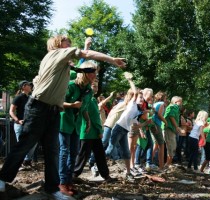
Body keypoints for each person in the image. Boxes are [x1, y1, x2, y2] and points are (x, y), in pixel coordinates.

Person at [0, 35, 125, 199]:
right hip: (39, 107)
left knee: (53, 151)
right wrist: (111, 59)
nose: (71, 46)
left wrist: (86, 52)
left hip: (53, 111)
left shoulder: (62, 65)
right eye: (68, 43)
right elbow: (84, 56)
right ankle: (2, 178)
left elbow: (83, 69)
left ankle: (52, 189)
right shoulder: (55, 54)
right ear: (58, 45)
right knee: (25, 144)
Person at [58, 61, 97, 196]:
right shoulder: (70, 86)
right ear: (84, 72)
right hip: (65, 121)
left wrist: (88, 121)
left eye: (95, 71)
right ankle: (62, 182)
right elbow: (58, 102)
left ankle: (69, 181)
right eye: (92, 71)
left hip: (77, 124)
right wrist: (71, 105)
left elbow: (84, 108)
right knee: (64, 151)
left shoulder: (89, 90)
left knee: (74, 152)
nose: (94, 74)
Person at [105, 72, 147, 181]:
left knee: (126, 153)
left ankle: (128, 173)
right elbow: (134, 91)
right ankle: (96, 164)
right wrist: (130, 80)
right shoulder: (132, 104)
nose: (141, 99)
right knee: (109, 150)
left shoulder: (137, 111)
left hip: (124, 131)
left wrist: (147, 123)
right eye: (140, 97)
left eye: (143, 98)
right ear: (135, 97)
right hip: (118, 129)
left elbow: (135, 126)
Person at [73, 78, 111, 182]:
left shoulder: (93, 99)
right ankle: (73, 175)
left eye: (97, 86)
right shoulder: (88, 99)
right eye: (94, 85)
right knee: (83, 155)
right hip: (88, 132)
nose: (96, 88)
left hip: (93, 133)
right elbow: (93, 117)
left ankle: (106, 176)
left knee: (100, 155)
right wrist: (99, 130)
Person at [9, 80, 37, 167]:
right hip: (20, 125)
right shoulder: (18, 97)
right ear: (23, 87)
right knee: (21, 145)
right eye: (29, 85)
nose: (30, 86)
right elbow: (11, 111)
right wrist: (17, 120)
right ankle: (19, 163)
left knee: (33, 142)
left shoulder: (29, 97)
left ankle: (27, 160)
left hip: (28, 124)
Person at [162, 96, 182, 168]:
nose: (181, 103)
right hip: (169, 129)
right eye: (180, 101)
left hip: (171, 130)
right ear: (176, 102)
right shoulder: (173, 106)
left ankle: (168, 164)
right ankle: (167, 164)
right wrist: (176, 127)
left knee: (173, 146)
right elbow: (171, 116)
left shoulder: (175, 107)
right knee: (171, 146)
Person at [151, 91, 168, 171]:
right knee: (162, 145)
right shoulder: (161, 104)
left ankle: (149, 161)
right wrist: (165, 121)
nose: (166, 99)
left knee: (156, 144)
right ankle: (161, 167)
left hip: (152, 123)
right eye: (166, 98)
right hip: (156, 124)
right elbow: (159, 115)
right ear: (163, 98)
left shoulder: (154, 104)